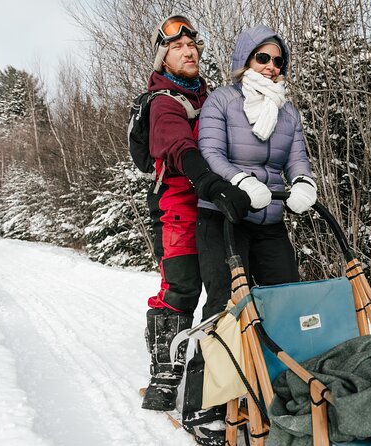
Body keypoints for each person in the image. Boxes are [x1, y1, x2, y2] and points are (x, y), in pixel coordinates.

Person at [192, 24, 319, 441]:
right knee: (226, 306)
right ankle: (210, 402)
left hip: (269, 220)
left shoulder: (287, 111)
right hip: (224, 216)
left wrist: (302, 184)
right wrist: (241, 183)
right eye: (262, 58)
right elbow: (210, 153)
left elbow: (297, 158)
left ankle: (277, 390)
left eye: (278, 61)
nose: (271, 67)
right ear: (245, 60)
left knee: (285, 299)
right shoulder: (222, 101)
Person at [140, 14, 251, 445]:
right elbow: (177, 145)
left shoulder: (214, 98)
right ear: (163, 54)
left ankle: (208, 386)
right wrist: (208, 181)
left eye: (193, 47)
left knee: (223, 295)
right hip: (180, 208)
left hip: (217, 207)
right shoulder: (163, 101)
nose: (189, 52)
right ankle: (165, 376)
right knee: (181, 289)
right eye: (178, 47)